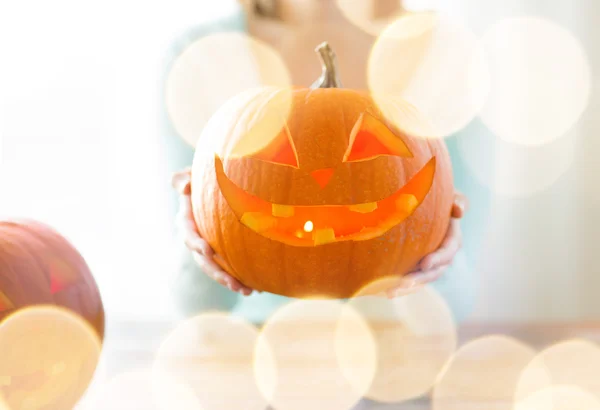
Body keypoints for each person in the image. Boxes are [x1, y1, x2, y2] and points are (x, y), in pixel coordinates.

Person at [171, 167, 469, 322]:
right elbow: (196, 307)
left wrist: (438, 229)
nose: (321, 178)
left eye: (364, 151)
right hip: (244, 352)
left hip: (397, 354)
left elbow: (456, 302)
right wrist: (204, 224)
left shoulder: (444, 60)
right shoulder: (196, 57)